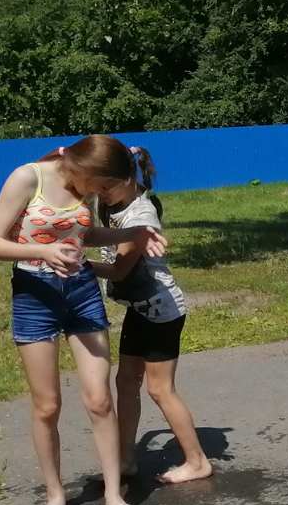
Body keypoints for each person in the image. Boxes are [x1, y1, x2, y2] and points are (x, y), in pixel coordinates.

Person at [0, 134, 167, 505]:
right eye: (100, 186)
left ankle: (113, 496)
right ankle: (55, 495)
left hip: (81, 291)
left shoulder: (85, 186)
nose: (99, 195)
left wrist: (133, 234)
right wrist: (42, 251)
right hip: (34, 294)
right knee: (47, 406)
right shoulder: (27, 178)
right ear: (84, 169)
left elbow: (86, 234)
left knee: (100, 400)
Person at [88, 146, 212, 486]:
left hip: (162, 312)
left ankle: (197, 461)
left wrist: (78, 264)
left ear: (128, 180)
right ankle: (126, 459)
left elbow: (119, 270)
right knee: (126, 381)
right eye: (99, 187)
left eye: (106, 187)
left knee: (160, 389)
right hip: (140, 308)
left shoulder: (141, 215)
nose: (101, 194)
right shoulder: (115, 199)